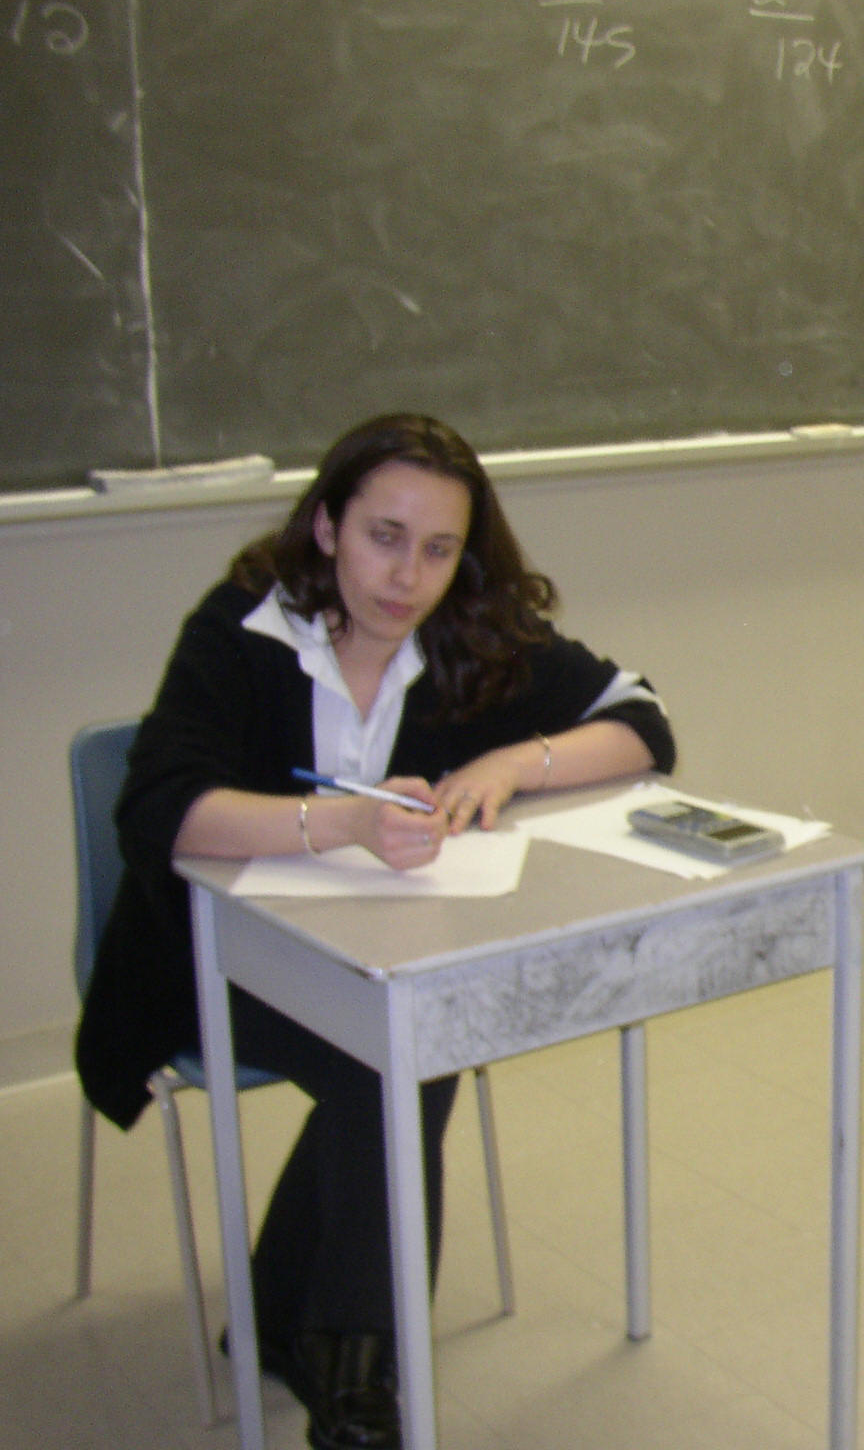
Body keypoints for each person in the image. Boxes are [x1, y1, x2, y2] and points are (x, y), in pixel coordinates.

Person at [74, 414, 675, 1450]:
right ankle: (355, 1376)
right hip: (207, 962)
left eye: (439, 549)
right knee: (395, 1050)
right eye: (383, 538)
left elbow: (641, 725)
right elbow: (161, 811)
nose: (407, 577)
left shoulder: (466, 632)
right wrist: (340, 823)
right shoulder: (244, 627)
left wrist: (508, 763)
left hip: (370, 956)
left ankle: (306, 1332)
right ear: (326, 527)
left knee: (398, 1031)